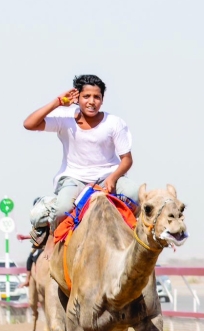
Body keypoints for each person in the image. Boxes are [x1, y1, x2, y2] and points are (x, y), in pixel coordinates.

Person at [23, 74, 138, 236]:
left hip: (109, 177)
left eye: (97, 97)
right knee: (62, 210)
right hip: (74, 178)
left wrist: (112, 178)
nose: (92, 101)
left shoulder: (114, 122)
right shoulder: (65, 118)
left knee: (134, 195)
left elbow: (127, 160)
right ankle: (50, 244)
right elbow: (29, 124)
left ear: (102, 100)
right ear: (77, 98)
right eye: (86, 96)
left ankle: (134, 240)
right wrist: (58, 102)